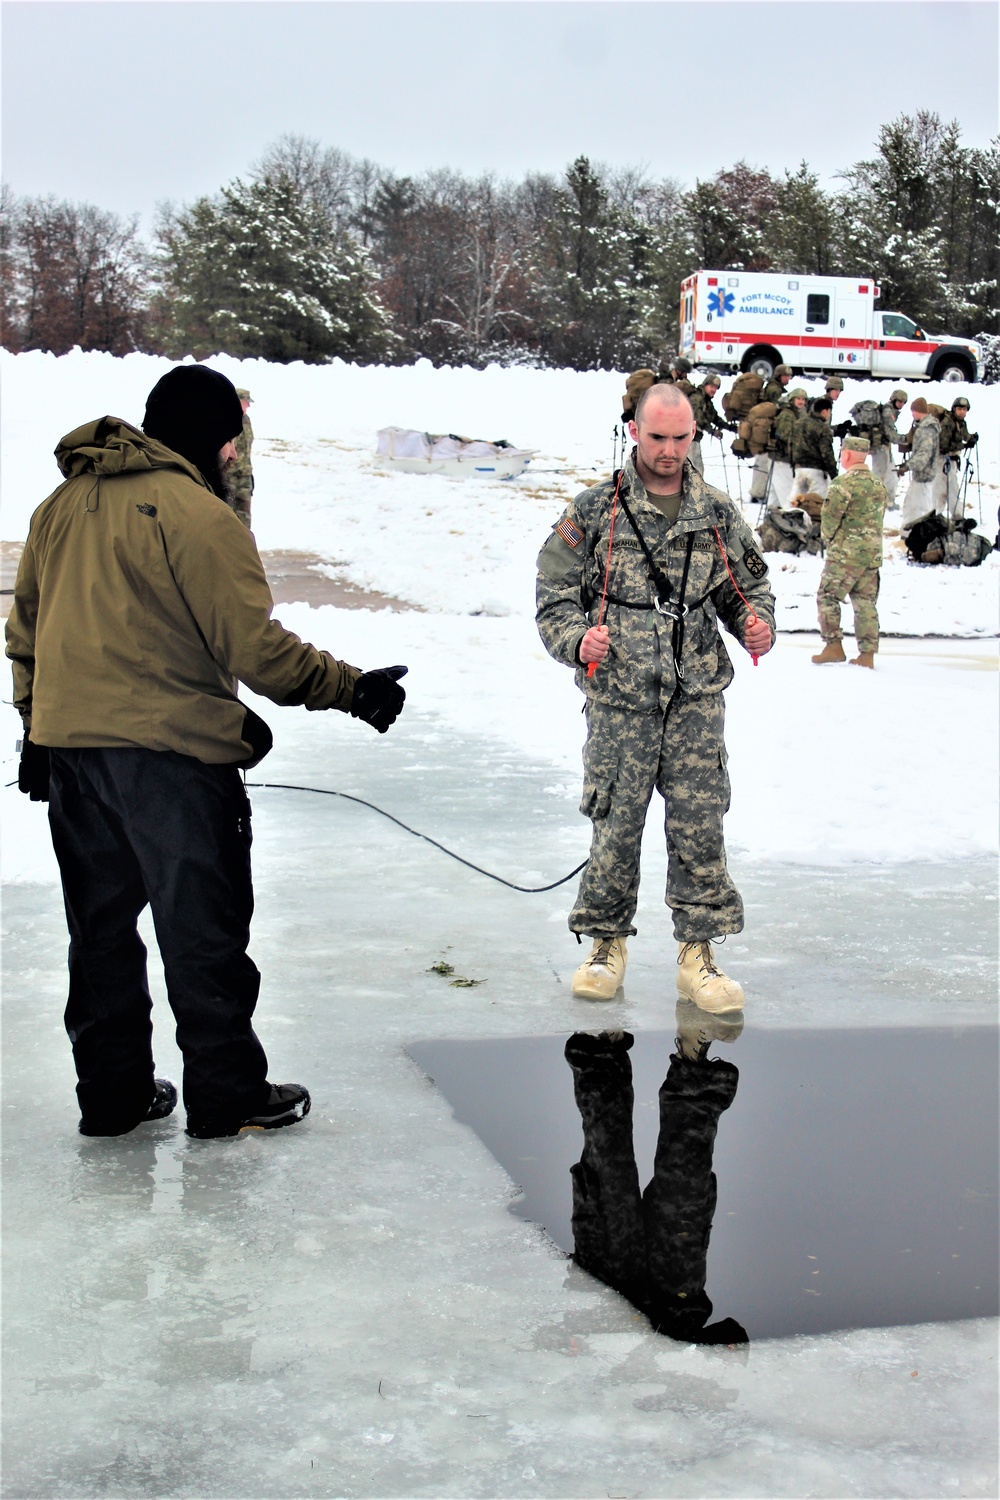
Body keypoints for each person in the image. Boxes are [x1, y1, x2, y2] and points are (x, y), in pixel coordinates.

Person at [5, 366, 408, 1140]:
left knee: (100, 935)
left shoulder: (59, 506)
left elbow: (23, 633)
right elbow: (256, 650)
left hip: (74, 760)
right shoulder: (197, 514)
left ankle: (112, 1096)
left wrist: (35, 728)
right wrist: (354, 689)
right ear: (220, 443)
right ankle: (226, 1094)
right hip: (171, 762)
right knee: (203, 933)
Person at [535, 383, 775, 1013]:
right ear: (635, 432)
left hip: (695, 695)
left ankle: (699, 953)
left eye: (682, 437)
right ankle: (605, 942)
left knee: (700, 826)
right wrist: (576, 640)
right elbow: (553, 599)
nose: (669, 451)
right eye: (658, 437)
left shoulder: (717, 514)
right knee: (616, 824)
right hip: (620, 694)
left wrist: (757, 624)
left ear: (694, 435)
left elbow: (748, 590)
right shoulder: (593, 513)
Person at [811, 437, 888, 669]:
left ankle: (833, 645)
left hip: (845, 554)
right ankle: (867, 653)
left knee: (827, 596)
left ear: (846, 455)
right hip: (871, 554)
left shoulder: (842, 484)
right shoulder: (878, 485)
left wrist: (829, 540)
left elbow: (830, 520)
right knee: (865, 602)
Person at [898, 397, 941, 533]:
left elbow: (924, 455)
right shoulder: (924, 427)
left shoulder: (926, 430)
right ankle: (910, 532)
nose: (912, 414)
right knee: (913, 505)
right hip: (922, 476)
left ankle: (915, 533)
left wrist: (907, 466)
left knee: (919, 508)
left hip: (923, 476)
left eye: (913, 411)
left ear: (918, 411)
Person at [934, 396, 977, 520]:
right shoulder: (947, 423)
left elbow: (964, 435)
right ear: (954, 409)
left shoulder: (961, 422)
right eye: (960, 409)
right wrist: (963, 445)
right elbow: (943, 446)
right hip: (942, 461)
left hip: (952, 462)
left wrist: (971, 439)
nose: (962, 412)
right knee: (940, 490)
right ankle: (936, 515)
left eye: (964, 409)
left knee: (953, 489)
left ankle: (958, 515)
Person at [790, 395, 837, 500]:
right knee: (816, 502)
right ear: (825, 411)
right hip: (816, 471)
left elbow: (791, 445)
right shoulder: (823, 428)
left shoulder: (798, 424)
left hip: (799, 468)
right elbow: (827, 452)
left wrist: (793, 465)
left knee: (796, 501)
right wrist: (834, 474)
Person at [768, 387, 808, 509]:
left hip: (780, 458)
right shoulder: (787, 415)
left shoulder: (795, 414)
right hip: (782, 459)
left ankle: (772, 518)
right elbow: (785, 437)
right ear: (792, 400)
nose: (801, 402)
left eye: (803, 399)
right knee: (787, 492)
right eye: (798, 399)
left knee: (775, 495)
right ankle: (788, 517)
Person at [869, 389, 908, 509]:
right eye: (899, 401)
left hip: (883, 446)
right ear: (894, 400)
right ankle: (879, 502)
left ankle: (885, 501)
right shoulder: (888, 412)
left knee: (888, 474)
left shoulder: (890, 410)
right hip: (880, 447)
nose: (901, 404)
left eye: (903, 402)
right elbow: (891, 433)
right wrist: (905, 439)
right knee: (882, 474)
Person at [687, 373, 729, 476]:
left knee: (696, 467)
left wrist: (730, 427)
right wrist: (712, 431)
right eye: (711, 387)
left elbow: (714, 417)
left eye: (716, 388)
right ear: (705, 385)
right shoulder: (696, 398)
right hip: (687, 439)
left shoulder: (706, 401)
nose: (714, 390)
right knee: (694, 467)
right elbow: (698, 419)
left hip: (694, 438)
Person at [227, 387, 254, 527]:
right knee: (228, 514)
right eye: (245, 401)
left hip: (244, 475)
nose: (248, 405)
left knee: (244, 516)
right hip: (229, 475)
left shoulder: (246, 420)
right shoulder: (226, 419)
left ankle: (245, 546)